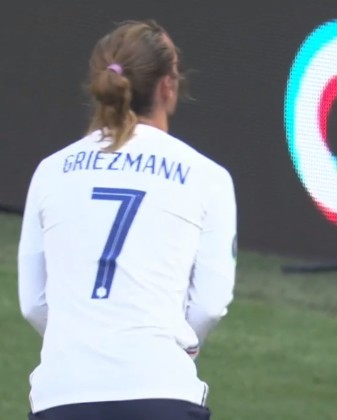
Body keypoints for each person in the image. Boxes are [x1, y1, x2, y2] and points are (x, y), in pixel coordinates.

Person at [18, 19, 237, 420]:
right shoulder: (208, 177)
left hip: (63, 394)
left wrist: (83, 343)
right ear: (167, 86)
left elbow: (34, 303)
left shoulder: (50, 171)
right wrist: (177, 346)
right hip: (162, 390)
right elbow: (209, 306)